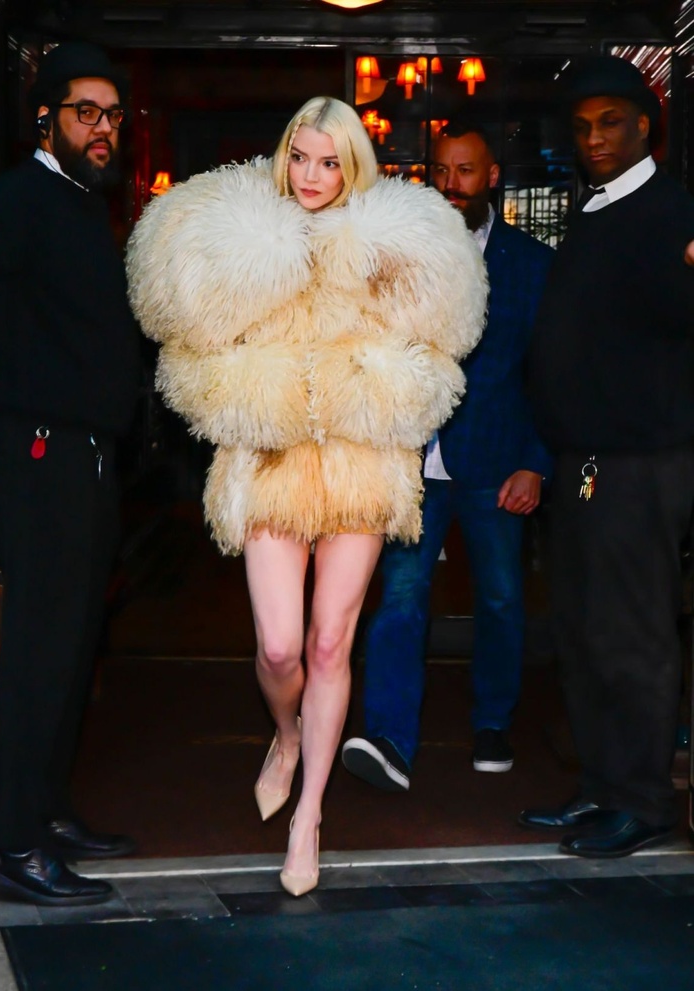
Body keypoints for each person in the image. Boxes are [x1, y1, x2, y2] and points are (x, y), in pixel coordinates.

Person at [126, 97, 487, 895]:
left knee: (330, 645)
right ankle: (286, 735)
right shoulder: (240, 238)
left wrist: (371, 391)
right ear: (282, 155)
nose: (312, 175)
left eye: (330, 161)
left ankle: (309, 815)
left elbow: (439, 353)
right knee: (280, 648)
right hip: (272, 456)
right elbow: (187, 352)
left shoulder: (392, 242)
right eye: (300, 156)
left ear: (352, 165)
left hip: (360, 462)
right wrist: (261, 396)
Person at [0, 42, 141, 906]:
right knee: (37, 647)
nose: (102, 129)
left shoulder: (80, 200)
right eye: (84, 113)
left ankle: (47, 809)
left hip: (85, 453)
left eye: (112, 115)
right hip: (40, 452)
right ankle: (12, 839)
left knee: (72, 642)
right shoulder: (25, 196)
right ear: (46, 119)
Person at [341, 123, 553, 792]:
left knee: (501, 599)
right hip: (412, 462)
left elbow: (550, 375)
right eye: (441, 170)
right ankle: (390, 738)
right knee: (400, 597)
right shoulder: (400, 257)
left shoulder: (532, 264)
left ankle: (492, 722)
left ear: (491, 177)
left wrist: (536, 462)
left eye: (465, 170)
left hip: (497, 461)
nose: (451, 183)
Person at [522, 55, 694, 858]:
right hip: (585, 460)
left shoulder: (670, 211)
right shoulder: (596, 209)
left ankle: (646, 799)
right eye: (584, 126)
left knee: (633, 634)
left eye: (611, 123)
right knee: (582, 631)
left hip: (642, 459)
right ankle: (602, 783)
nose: (594, 138)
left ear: (645, 127)